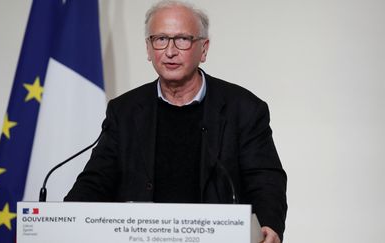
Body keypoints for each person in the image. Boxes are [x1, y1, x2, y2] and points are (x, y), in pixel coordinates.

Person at [65, 1, 287, 242]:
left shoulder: (243, 109)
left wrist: (268, 224)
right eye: (160, 39)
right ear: (149, 50)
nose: (170, 51)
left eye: (182, 39)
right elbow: (96, 181)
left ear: (203, 49)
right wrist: (64, 219)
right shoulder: (125, 111)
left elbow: (266, 180)